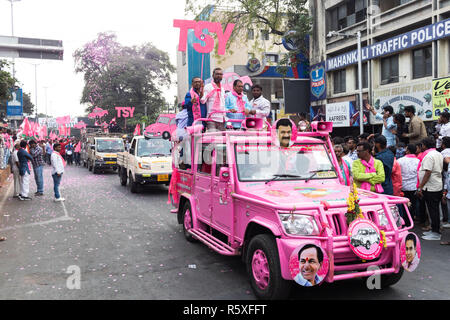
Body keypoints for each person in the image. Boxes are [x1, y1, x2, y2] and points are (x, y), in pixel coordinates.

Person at [418, 137, 443, 241]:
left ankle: (435, 232)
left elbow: (428, 172)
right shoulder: (438, 153)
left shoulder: (429, 156)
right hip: (436, 185)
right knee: (434, 210)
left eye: (422, 145)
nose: (421, 147)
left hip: (431, 187)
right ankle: (434, 230)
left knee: (433, 210)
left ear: (425, 145)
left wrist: (421, 186)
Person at [397, 144, 420, 224]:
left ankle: (404, 221)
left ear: (408, 151)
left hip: (403, 186)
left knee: (403, 205)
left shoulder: (400, 160)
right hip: (414, 186)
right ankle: (411, 221)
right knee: (412, 205)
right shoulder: (418, 161)